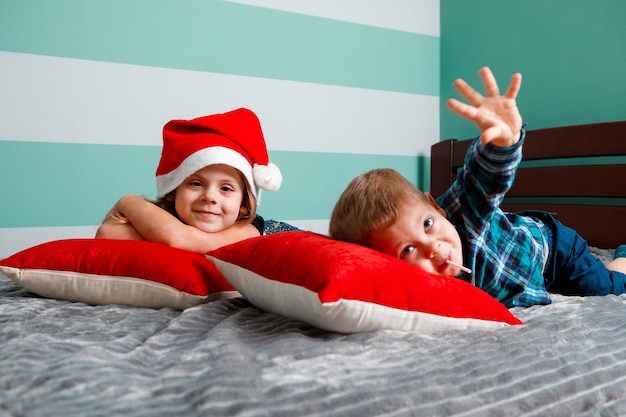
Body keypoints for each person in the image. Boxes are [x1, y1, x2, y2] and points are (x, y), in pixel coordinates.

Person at [329, 67, 626, 308]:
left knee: (604, 287)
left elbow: (483, 179)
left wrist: (501, 143)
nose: (433, 247)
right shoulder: (413, 290)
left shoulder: (463, 212)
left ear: (435, 206)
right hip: (526, 267)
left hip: (553, 250)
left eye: (428, 224)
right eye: (408, 250)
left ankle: (622, 257)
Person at [96, 108, 282, 253]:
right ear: (172, 190)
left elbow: (179, 239)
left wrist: (127, 201)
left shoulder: (250, 231)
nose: (209, 196)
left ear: (243, 204)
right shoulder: (167, 221)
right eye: (196, 183)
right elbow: (108, 233)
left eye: (225, 188)